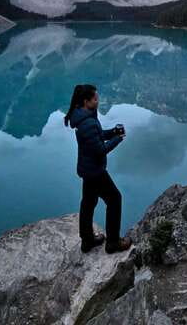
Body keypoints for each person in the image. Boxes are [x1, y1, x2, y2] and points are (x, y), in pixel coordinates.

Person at [65, 84, 132, 254]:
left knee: (88, 203)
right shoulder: (87, 122)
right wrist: (118, 139)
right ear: (86, 101)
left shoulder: (84, 116)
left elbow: (98, 136)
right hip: (95, 171)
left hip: (88, 169)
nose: (98, 100)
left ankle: (87, 241)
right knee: (115, 199)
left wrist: (113, 132)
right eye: (95, 98)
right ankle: (113, 243)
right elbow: (99, 150)